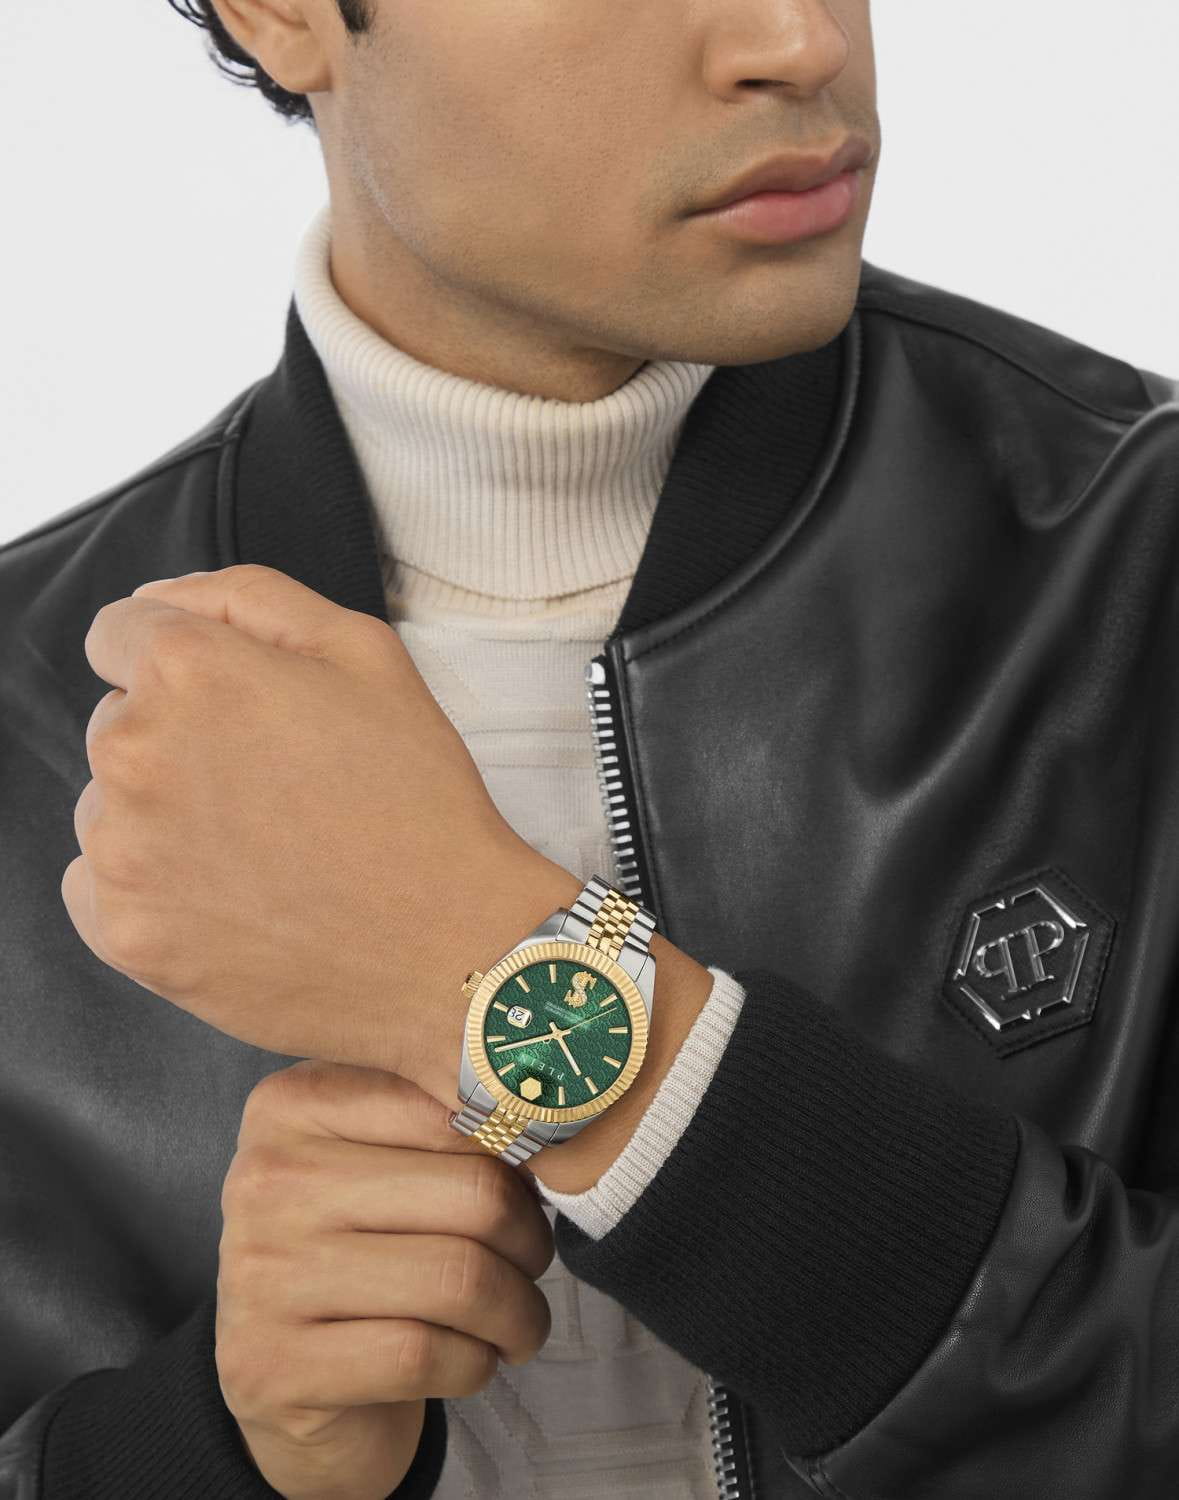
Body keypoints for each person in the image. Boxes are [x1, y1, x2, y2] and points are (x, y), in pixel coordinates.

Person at [2, 0, 1178, 1496]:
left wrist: (537, 1004)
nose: (798, 41)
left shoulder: (1140, 566)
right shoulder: (25, 724)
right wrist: (218, 1449)